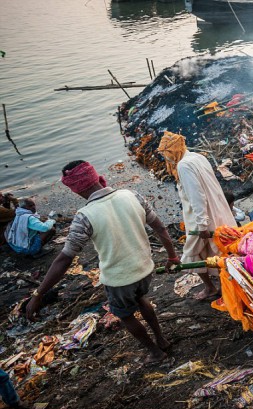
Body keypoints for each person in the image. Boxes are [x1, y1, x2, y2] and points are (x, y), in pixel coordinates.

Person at [25, 161, 180, 365]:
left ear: (76, 189)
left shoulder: (85, 216)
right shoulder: (132, 195)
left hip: (120, 279)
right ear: (95, 177)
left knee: (125, 315)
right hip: (145, 268)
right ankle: (161, 340)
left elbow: (64, 259)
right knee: (141, 298)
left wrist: (38, 294)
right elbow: (160, 228)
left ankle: (155, 352)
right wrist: (172, 257)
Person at [157, 132, 237, 301]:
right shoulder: (197, 157)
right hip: (217, 211)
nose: (167, 159)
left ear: (172, 151)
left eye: (167, 154)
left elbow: (197, 196)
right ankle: (221, 288)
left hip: (201, 219)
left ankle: (214, 288)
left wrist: (201, 225)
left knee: (191, 254)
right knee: (217, 252)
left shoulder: (183, 166)